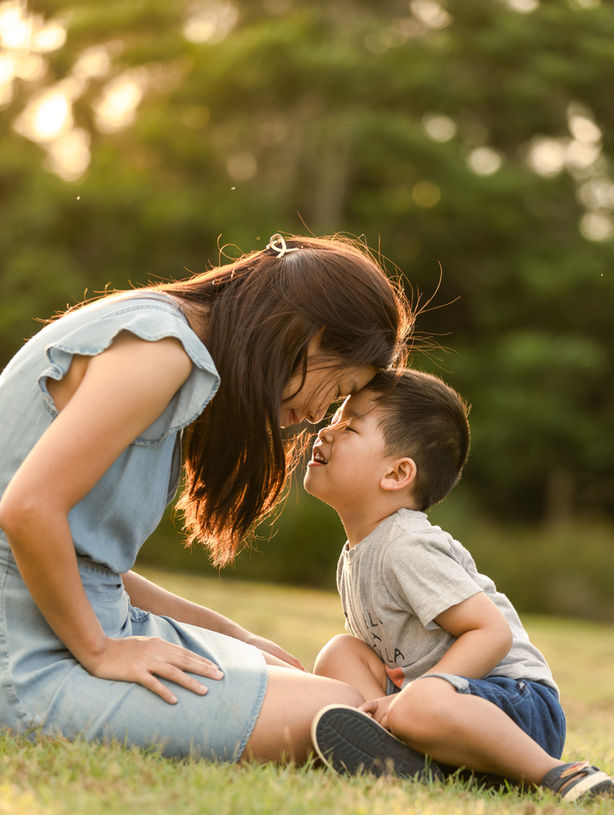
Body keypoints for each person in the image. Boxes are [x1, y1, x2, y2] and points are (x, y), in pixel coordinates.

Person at [0, 233, 414, 764]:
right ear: (312, 336)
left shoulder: (168, 338)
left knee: (327, 691)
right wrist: (99, 651)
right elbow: (27, 510)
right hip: (27, 655)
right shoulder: (160, 351)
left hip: (70, 624)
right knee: (336, 707)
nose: (317, 416)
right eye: (336, 390)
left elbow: (85, 564)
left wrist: (233, 635)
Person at [305, 369, 614, 802]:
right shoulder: (358, 553)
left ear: (397, 473)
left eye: (349, 426)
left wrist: (422, 692)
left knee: (417, 704)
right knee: (340, 653)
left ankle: (555, 773)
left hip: (516, 706)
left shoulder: (406, 545)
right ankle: (401, 755)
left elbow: (491, 631)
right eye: (335, 420)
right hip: (435, 708)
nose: (326, 431)